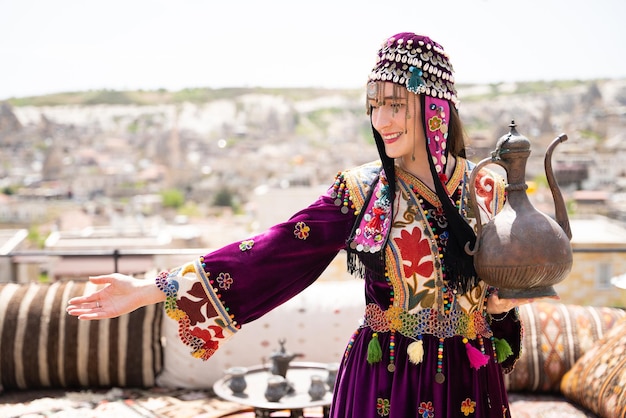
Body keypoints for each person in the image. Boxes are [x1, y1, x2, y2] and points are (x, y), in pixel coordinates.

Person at [67, 32, 538, 417]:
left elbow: (502, 292)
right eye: (374, 105)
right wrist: (151, 288)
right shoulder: (361, 191)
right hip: (385, 381)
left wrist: (500, 304)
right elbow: (273, 252)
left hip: (469, 377)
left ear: (433, 107)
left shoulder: (486, 187)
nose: (381, 119)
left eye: (396, 104)